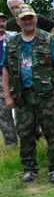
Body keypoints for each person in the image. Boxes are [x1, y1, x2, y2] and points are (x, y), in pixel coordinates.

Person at [2, 4, 54, 183]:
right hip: (22, 96)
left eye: (30, 17)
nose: (28, 21)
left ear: (36, 18)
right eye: (24, 19)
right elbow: (5, 69)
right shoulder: (12, 43)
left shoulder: (48, 39)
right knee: (25, 133)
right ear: (18, 21)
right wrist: (7, 96)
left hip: (46, 95)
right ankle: (30, 169)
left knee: (52, 132)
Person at [0, 12, 17, 146]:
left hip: (16, 77)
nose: (1, 24)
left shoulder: (14, 36)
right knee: (3, 112)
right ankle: (11, 144)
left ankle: (33, 138)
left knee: (24, 109)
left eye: (3, 21)